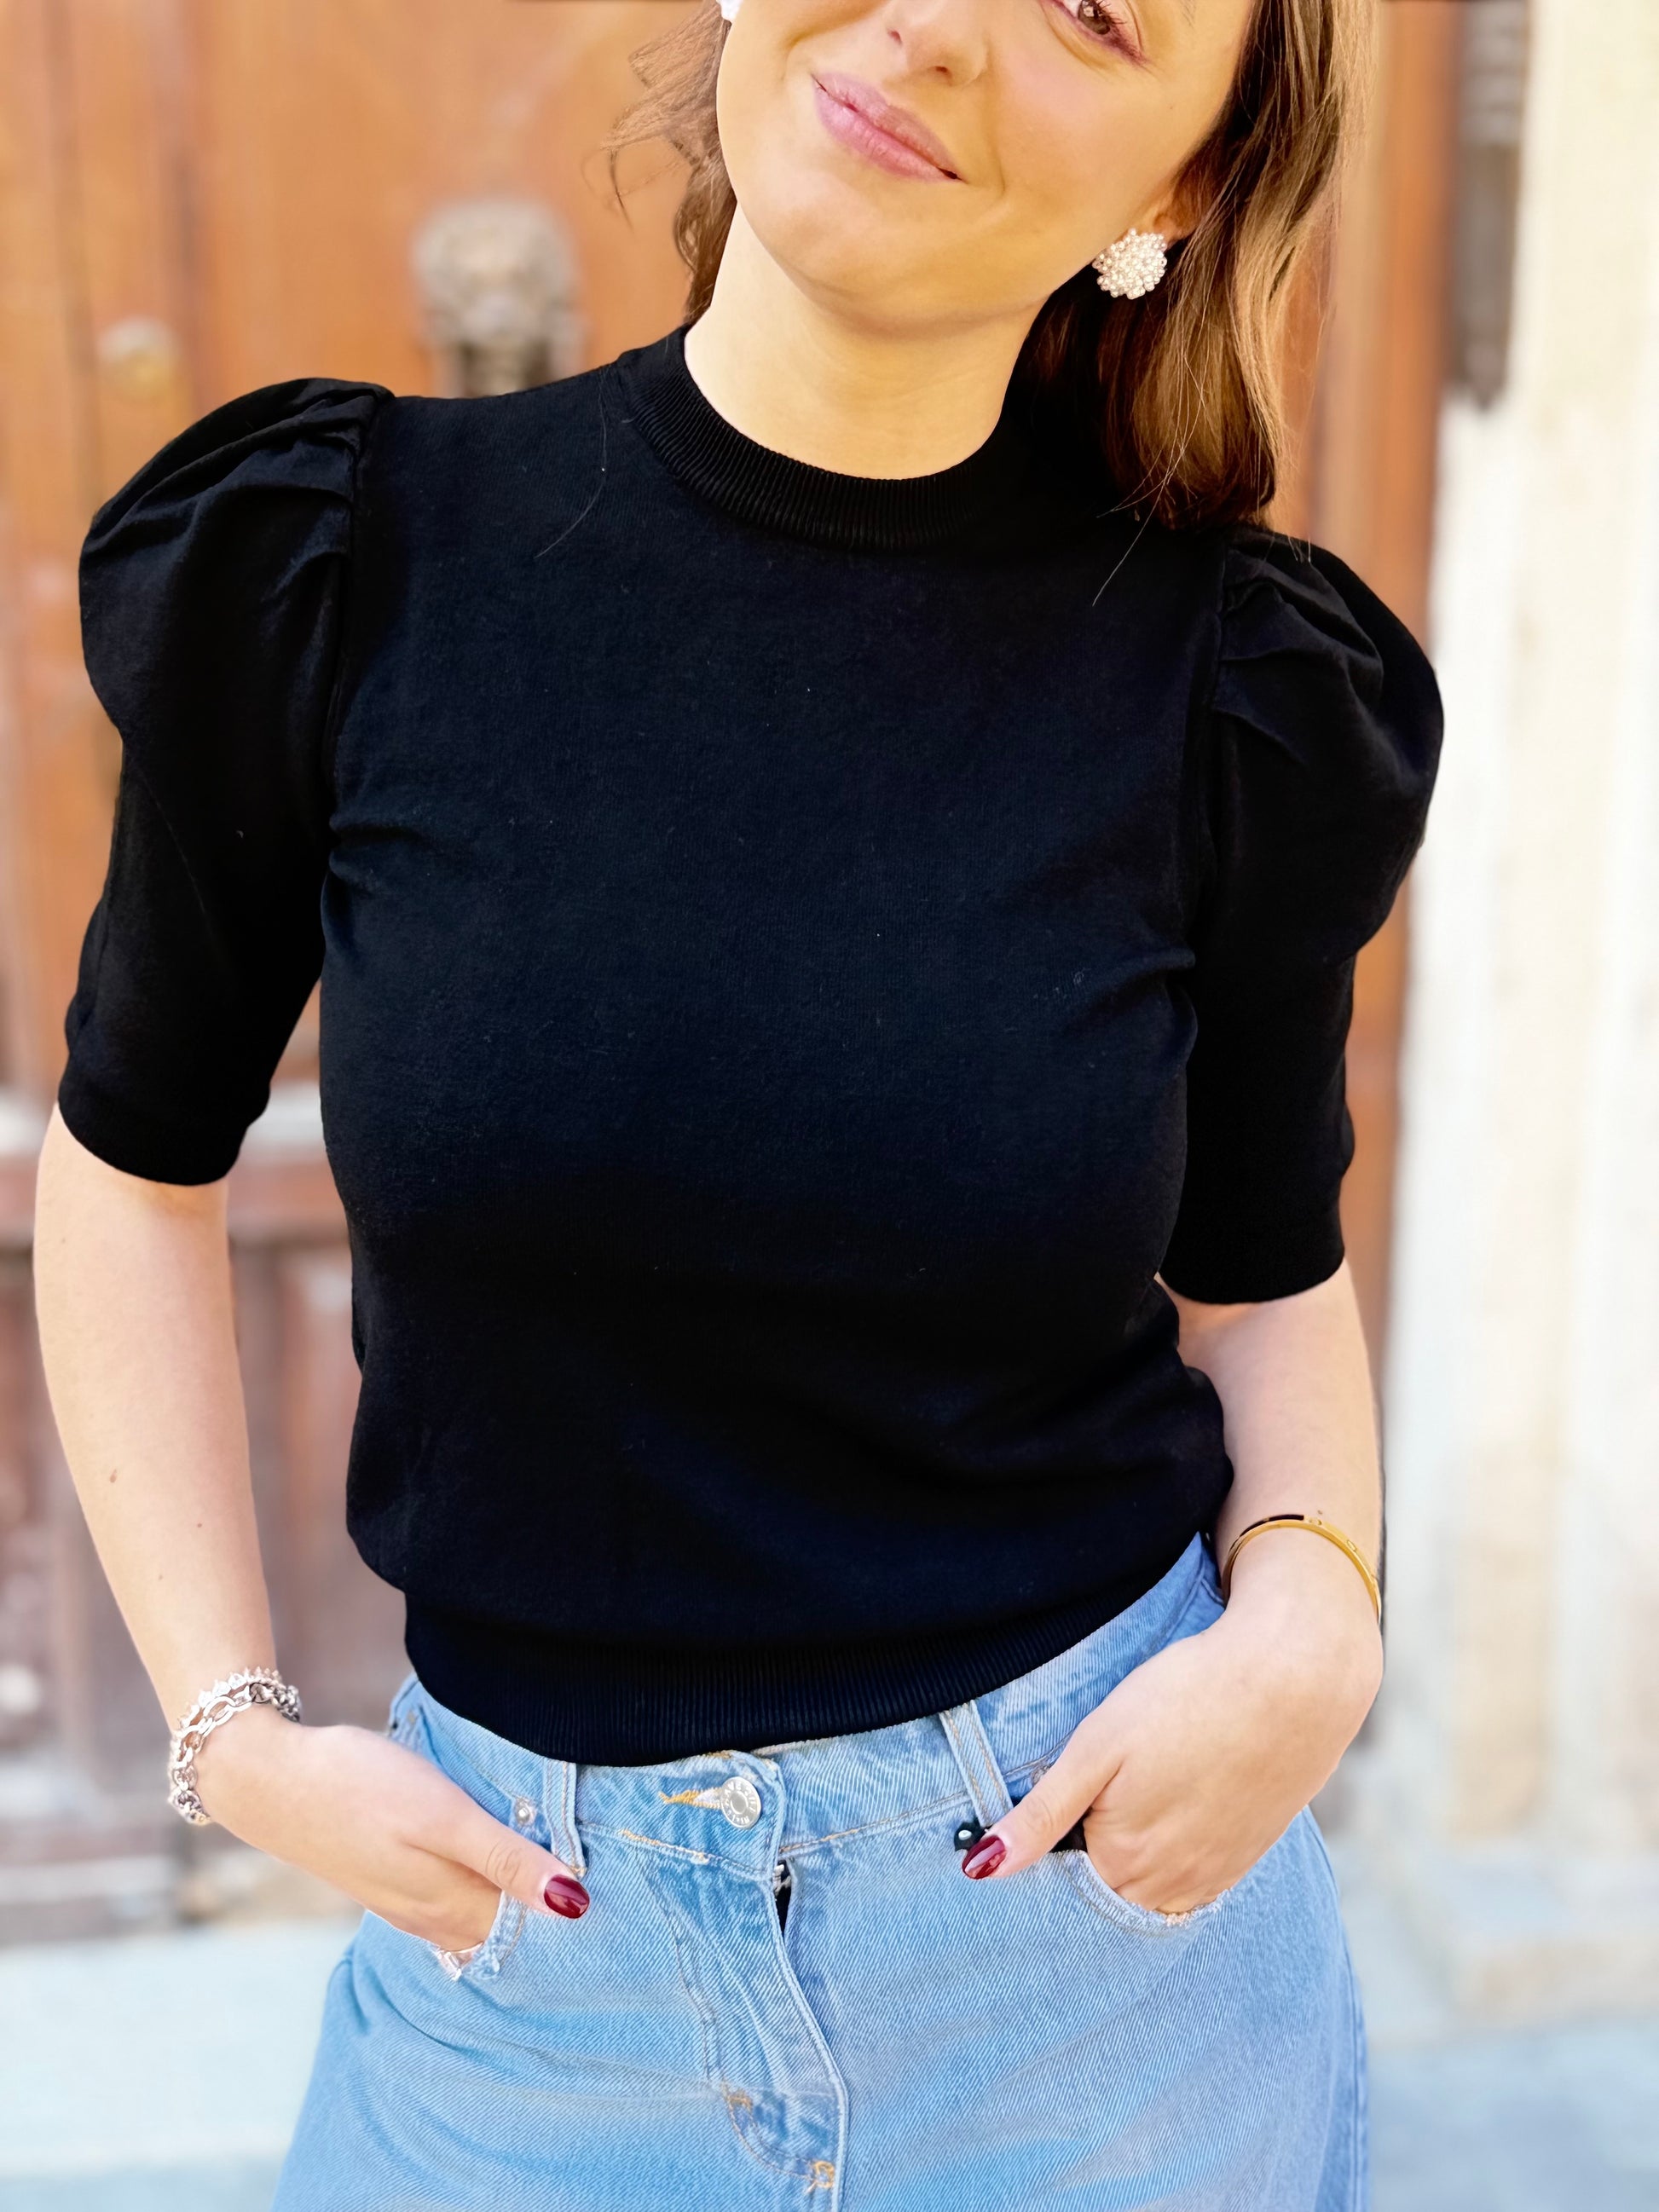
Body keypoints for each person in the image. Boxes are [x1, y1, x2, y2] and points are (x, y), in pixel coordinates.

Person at [33, 0, 1441, 2201]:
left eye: (1093, 10)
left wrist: (1316, 1619)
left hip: (1094, 1970)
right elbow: (129, 1165)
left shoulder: (1233, 687)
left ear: (1180, 184)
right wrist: (231, 1729)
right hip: (520, 1979)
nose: (941, 29)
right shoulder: (348, 560)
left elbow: (1264, 1277)